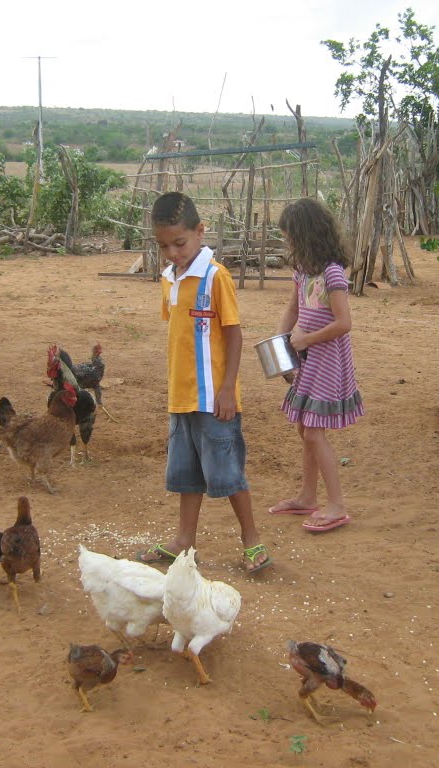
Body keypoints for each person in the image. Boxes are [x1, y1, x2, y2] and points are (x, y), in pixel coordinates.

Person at [136, 191, 272, 574]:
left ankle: (252, 540)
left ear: (200, 231)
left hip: (215, 398)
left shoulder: (216, 277)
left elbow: (233, 334)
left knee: (228, 472)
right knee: (186, 473)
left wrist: (228, 388)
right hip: (181, 397)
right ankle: (184, 540)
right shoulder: (169, 278)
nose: (173, 253)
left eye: (179, 243)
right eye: (164, 246)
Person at [267, 197, 364, 532]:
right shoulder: (303, 272)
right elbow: (293, 310)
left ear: (306, 235)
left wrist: (305, 340)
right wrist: (281, 343)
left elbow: (343, 323)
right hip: (310, 360)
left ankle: (336, 505)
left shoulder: (332, 274)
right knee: (304, 429)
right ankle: (308, 497)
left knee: (313, 430)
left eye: (290, 237)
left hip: (328, 363)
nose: (288, 243)